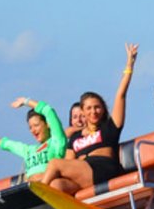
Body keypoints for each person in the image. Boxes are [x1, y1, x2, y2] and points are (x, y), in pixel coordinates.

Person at [38, 43, 138, 195]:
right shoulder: (75, 138)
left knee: (54, 164)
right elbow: (69, 161)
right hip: (81, 173)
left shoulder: (109, 127)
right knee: (57, 185)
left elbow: (120, 95)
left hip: (102, 169)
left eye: (97, 107)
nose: (94, 111)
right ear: (83, 112)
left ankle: (35, 199)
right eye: (89, 108)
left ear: (103, 109)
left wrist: (129, 65)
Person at [0, 97, 66, 182]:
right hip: (30, 189)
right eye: (30, 128)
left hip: (48, 187)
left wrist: (26, 101)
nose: (33, 130)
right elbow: (11, 145)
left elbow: (48, 111)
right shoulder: (29, 150)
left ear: (47, 124)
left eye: (36, 125)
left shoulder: (56, 143)